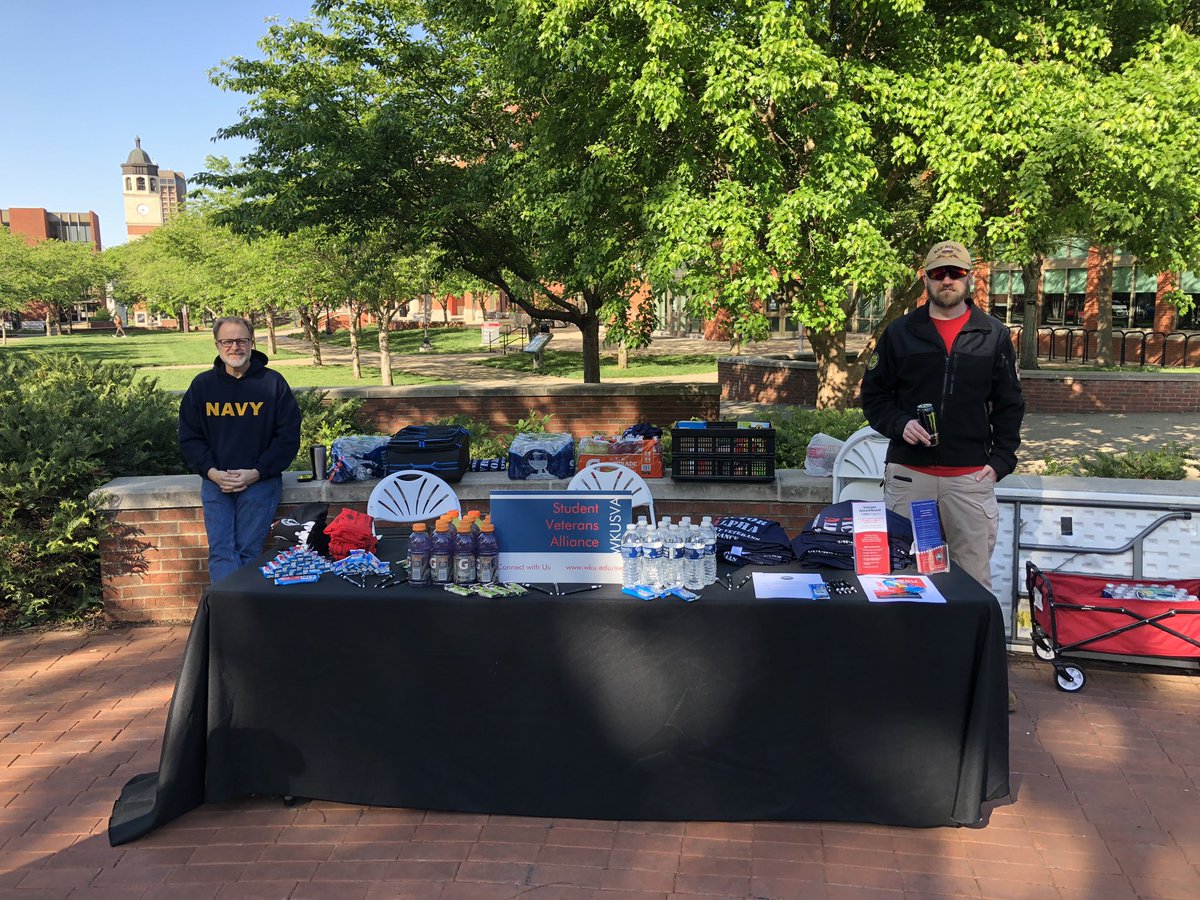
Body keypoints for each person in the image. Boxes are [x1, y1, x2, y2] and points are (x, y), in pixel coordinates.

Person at [861, 241, 1025, 708]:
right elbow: (874, 396)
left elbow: (1010, 405)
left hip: (969, 479)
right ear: (925, 277)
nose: (947, 280)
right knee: (903, 580)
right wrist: (899, 424)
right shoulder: (900, 332)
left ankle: (983, 685)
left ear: (969, 277)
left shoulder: (993, 335)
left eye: (955, 272)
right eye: (938, 273)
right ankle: (906, 680)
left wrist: (1000, 463)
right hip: (909, 477)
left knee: (973, 584)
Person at [179, 317, 301, 583]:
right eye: (227, 341)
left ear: (251, 342)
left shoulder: (273, 383)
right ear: (217, 344)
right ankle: (228, 607)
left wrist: (257, 472)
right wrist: (212, 472)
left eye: (241, 340)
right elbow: (190, 438)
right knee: (221, 552)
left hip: (260, 481)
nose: (234, 347)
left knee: (249, 551)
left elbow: (288, 437)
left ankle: (244, 606)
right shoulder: (202, 386)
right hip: (216, 482)